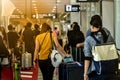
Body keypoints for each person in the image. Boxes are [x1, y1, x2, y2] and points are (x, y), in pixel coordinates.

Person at [84, 15, 117, 80]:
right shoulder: (109, 36)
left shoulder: (89, 39)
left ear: (92, 26)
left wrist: (85, 73)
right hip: (111, 72)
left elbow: (87, 58)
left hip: (96, 73)